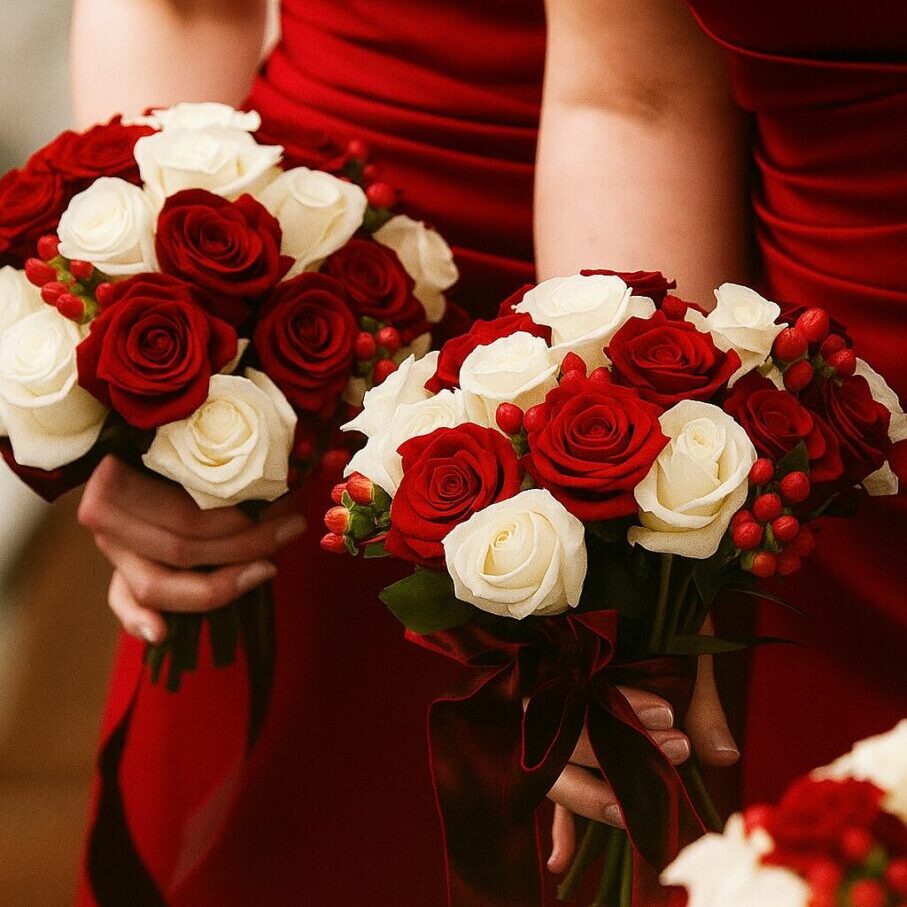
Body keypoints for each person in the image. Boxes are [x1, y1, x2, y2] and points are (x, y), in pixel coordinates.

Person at [68, 0, 848, 904]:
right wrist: (149, 332)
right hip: (318, 282)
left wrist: (639, 495)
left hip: (677, 253)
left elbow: (641, 94)